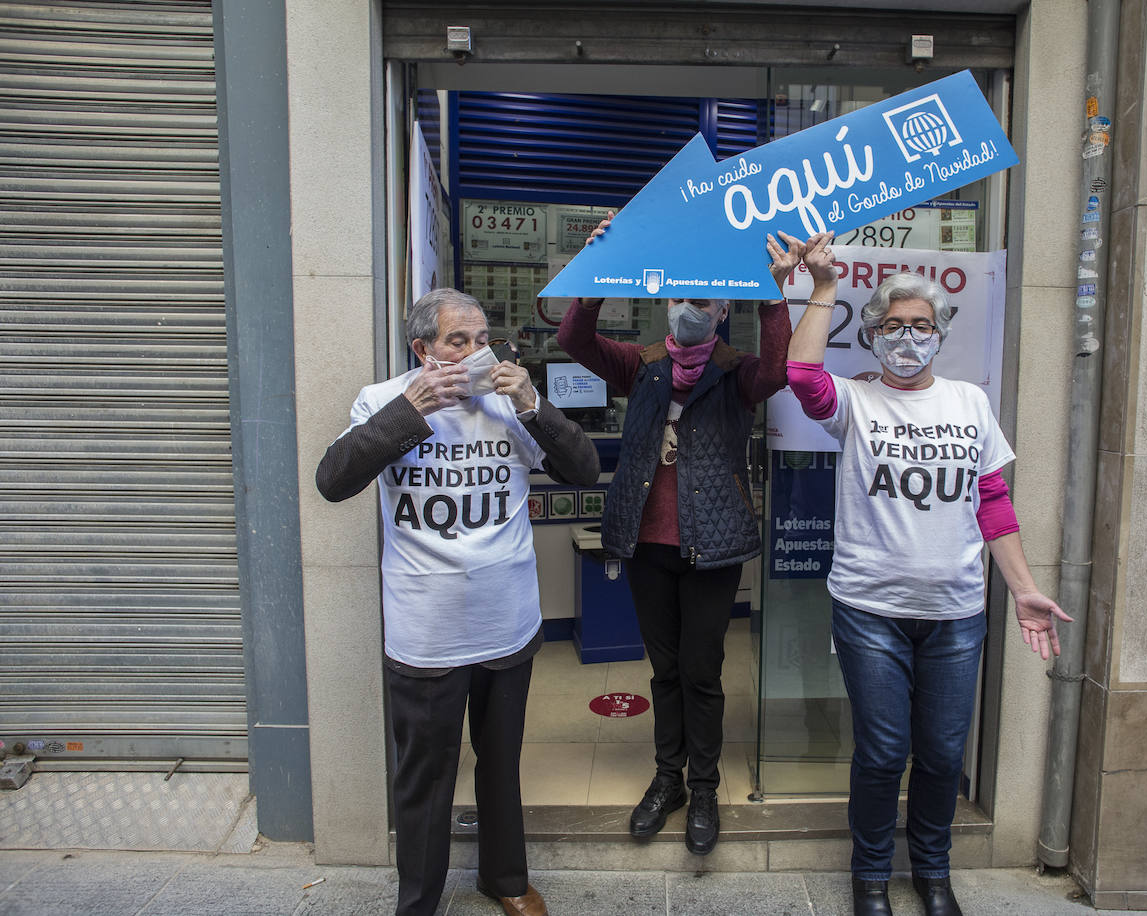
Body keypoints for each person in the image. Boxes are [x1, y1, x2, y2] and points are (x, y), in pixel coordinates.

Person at [785, 236, 1071, 916]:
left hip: (957, 613)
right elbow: (801, 379)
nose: (907, 337)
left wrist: (1024, 589)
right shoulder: (855, 402)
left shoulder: (969, 403)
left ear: (940, 334)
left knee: (943, 756)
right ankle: (871, 878)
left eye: (920, 326)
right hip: (869, 609)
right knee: (884, 752)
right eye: (892, 326)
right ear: (874, 335)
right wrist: (823, 289)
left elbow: (994, 505)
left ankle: (934, 874)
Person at [316, 288, 600, 916]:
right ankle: (417, 900)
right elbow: (333, 481)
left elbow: (582, 467)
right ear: (422, 349)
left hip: (508, 621)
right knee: (425, 775)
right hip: (425, 632)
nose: (476, 353)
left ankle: (503, 877)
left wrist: (531, 403)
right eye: (457, 341)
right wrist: (406, 412)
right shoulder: (383, 399)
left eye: (483, 339)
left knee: (502, 762)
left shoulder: (507, 403)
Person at [556, 215, 809, 854]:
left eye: (700, 301)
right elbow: (574, 338)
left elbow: (779, 372)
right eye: (677, 298)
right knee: (664, 669)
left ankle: (703, 787)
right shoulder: (640, 366)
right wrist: (596, 274)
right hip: (647, 545)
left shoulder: (738, 372)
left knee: (702, 670)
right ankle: (666, 779)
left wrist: (775, 295)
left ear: (722, 311)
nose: (685, 310)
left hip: (713, 548)